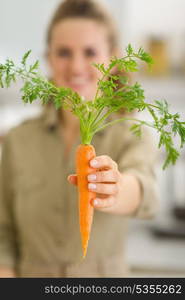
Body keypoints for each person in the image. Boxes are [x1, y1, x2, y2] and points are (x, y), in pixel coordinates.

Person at [0, 0, 158, 278]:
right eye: (63, 52)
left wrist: (116, 188)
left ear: (113, 59)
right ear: (48, 58)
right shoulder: (17, 140)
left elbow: (146, 194)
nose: (76, 65)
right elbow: (4, 230)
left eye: (90, 52)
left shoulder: (131, 133)